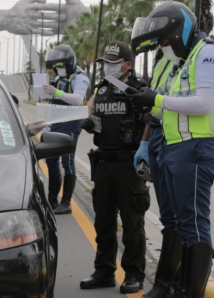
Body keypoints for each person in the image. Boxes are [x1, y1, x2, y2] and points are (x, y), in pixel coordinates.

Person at [128, 1, 214, 298]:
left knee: (194, 224)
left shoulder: (208, 54)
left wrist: (156, 101)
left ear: (179, 31)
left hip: (196, 149)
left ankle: (188, 292)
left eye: (165, 41)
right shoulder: (183, 59)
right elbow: (172, 105)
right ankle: (174, 288)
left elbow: (204, 104)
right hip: (176, 147)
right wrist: (148, 101)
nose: (164, 46)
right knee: (180, 223)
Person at [79, 41, 149, 294]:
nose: (106, 68)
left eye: (111, 63)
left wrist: (141, 107)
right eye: (104, 63)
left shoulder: (139, 89)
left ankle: (134, 274)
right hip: (104, 162)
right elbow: (92, 112)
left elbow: (150, 121)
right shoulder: (101, 89)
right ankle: (104, 271)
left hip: (128, 164)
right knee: (104, 222)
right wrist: (89, 123)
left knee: (132, 223)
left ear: (127, 65)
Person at [131, 48, 182, 297]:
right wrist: (145, 142)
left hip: (175, 138)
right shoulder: (161, 61)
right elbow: (154, 111)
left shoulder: (184, 59)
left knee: (183, 219)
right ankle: (166, 283)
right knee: (168, 218)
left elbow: (168, 104)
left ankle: (174, 283)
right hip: (157, 136)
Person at [41, 44, 90, 214]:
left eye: (61, 66)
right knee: (51, 159)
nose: (58, 69)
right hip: (56, 121)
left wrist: (57, 92)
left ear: (69, 63)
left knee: (67, 161)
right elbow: (55, 98)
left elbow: (77, 99)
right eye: (56, 67)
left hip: (71, 122)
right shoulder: (59, 79)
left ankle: (66, 202)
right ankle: (52, 200)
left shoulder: (80, 78)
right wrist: (48, 93)